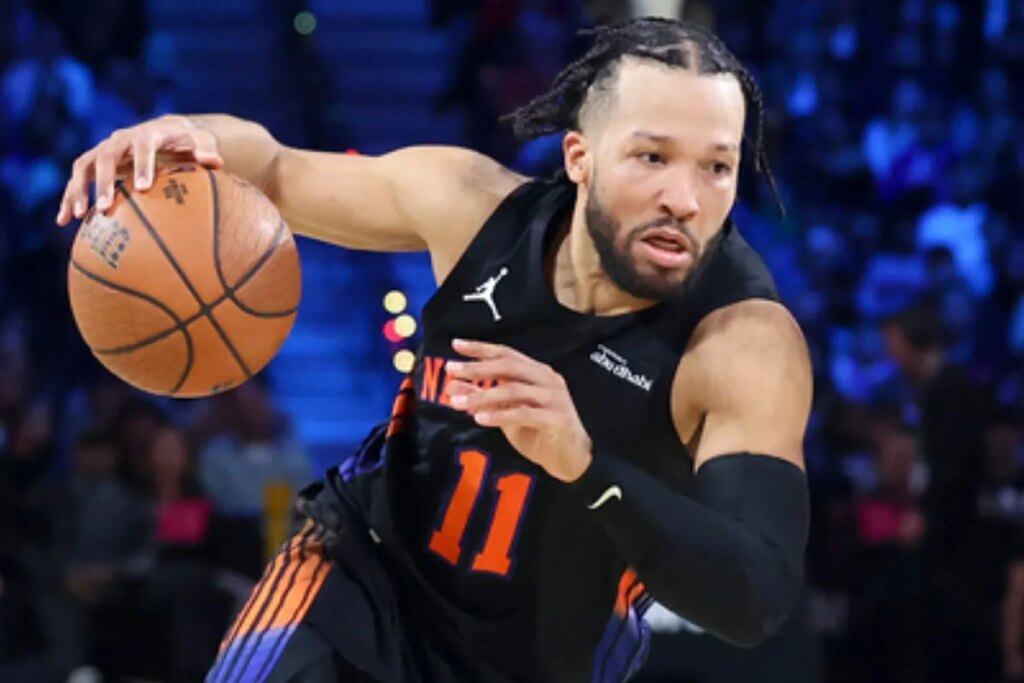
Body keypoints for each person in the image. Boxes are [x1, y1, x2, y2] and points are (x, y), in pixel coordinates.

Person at [57, 17, 812, 683]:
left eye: (717, 166)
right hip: (364, 572)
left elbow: (755, 598)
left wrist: (586, 466)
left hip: (543, 659)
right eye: (652, 157)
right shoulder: (471, 206)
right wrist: (182, 135)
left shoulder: (741, 345)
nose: (685, 197)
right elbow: (276, 169)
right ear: (580, 157)